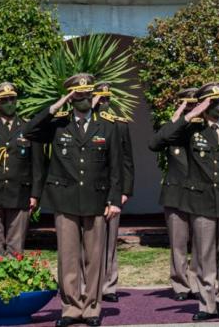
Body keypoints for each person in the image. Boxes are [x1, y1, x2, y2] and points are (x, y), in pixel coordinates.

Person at [23, 73, 122, 327]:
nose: (85, 98)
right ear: (71, 97)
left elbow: (116, 168)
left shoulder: (107, 127)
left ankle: (91, 308)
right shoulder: (58, 124)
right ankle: (70, 308)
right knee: (68, 257)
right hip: (64, 198)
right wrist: (57, 105)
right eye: (79, 95)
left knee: (94, 257)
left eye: (88, 94)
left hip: (96, 198)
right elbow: (30, 130)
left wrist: (114, 200)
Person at [155, 82, 219, 321]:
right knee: (204, 256)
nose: (218, 106)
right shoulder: (191, 130)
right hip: (201, 202)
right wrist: (189, 115)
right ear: (204, 106)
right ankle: (207, 305)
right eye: (212, 102)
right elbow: (156, 142)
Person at [0, 82, 43, 256]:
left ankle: (15, 282)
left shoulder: (27, 127)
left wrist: (35, 194)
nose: (9, 103)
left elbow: (37, 164)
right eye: (4, 100)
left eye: (12, 99)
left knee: (16, 249)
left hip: (19, 192)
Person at [148, 87, 200, 301]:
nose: (191, 107)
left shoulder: (204, 127)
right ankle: (180, 285)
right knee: (178, 244)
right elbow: (154, 144)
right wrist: (178, 117)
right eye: (186, 103)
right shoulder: (172, 129)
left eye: (194, 104)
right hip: (175, 194)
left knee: (201, 244)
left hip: (199, 194)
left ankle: (197, 284)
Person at [92, 83, 135, 304]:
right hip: (89, 189)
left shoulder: (119, 124)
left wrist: (125, 191)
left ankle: (108, 286)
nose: (104, 103)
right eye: (100, 99)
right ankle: (89, 284)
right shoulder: (85, 122)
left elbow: (127, 160)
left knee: (109, 240)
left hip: (112, 188)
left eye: (106, 99)